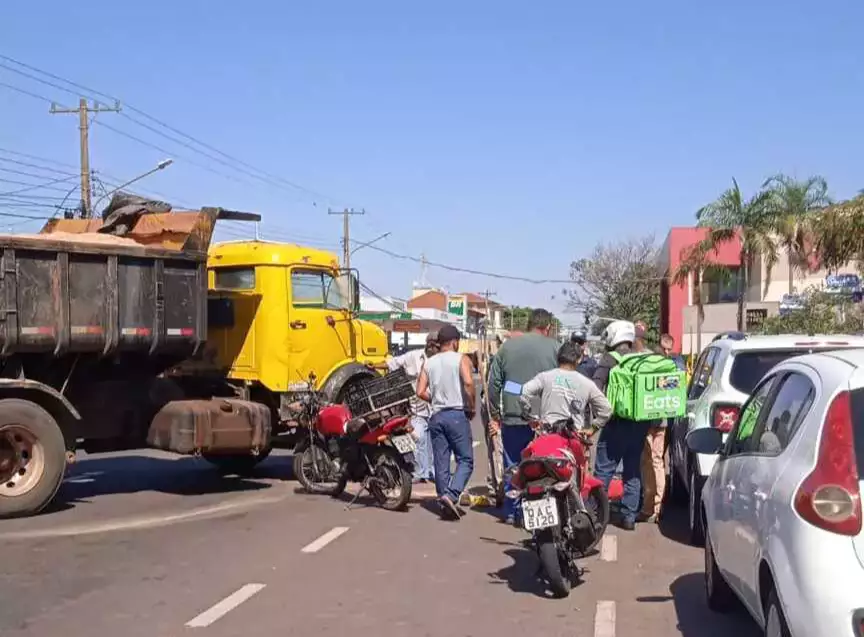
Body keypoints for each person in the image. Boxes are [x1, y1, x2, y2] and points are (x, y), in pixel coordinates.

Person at [487, 308, 559, 523]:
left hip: (513, 415)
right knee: (546, 464)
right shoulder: (556, 347)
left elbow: (493, 385)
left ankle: (512, 511)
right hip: (545, 418)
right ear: (547, 327)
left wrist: (495, 414)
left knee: (513, 465)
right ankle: (542, 510)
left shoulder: (507, 348)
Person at [591, 320, 654, 531]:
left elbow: (595, 388)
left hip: (615, 423)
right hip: (639, 424)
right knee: (632, 469)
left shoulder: (610, 359)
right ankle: (629, 517)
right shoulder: (641, 359)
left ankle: (597, 514)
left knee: (604, 470)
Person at [416, 325, 476, 520]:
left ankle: (443, 501)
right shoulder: (461, 359)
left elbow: (420, 391)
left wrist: (435, 400)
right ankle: (451, 494)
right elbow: (468, 382)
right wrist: (471, 405)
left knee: (441, 462)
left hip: (437, 415)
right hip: (457, 413)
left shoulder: (429, 363)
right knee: (465, 460)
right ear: (455, 342)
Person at [370, 332, 439, 483]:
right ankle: (421, 472)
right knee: (419, 438)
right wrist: (374, 365)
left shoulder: (441, 361)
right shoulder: (413, 357)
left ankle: (431, 471)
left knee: (435, 442)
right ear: (429, 344)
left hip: (436, 409)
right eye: (433, 344)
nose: (435, 348)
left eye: (438, 345)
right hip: (417, 409)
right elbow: (392, 363)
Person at [638, 333, 686, 523]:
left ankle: (650, 507)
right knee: (657, 462)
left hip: (648, 422)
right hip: (662, 422)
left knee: (649, 462)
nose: (666, 351)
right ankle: (657, 506)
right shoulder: (673, 368)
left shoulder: (648, 368)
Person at [519, 341, 612, 431]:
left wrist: (530, 416)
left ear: (558, 357)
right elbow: (606, 409)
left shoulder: (544, 377)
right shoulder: (587, 383)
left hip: (547, 434)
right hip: (573, 437)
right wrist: (593, 428)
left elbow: (524, 391)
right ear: (579, 359)